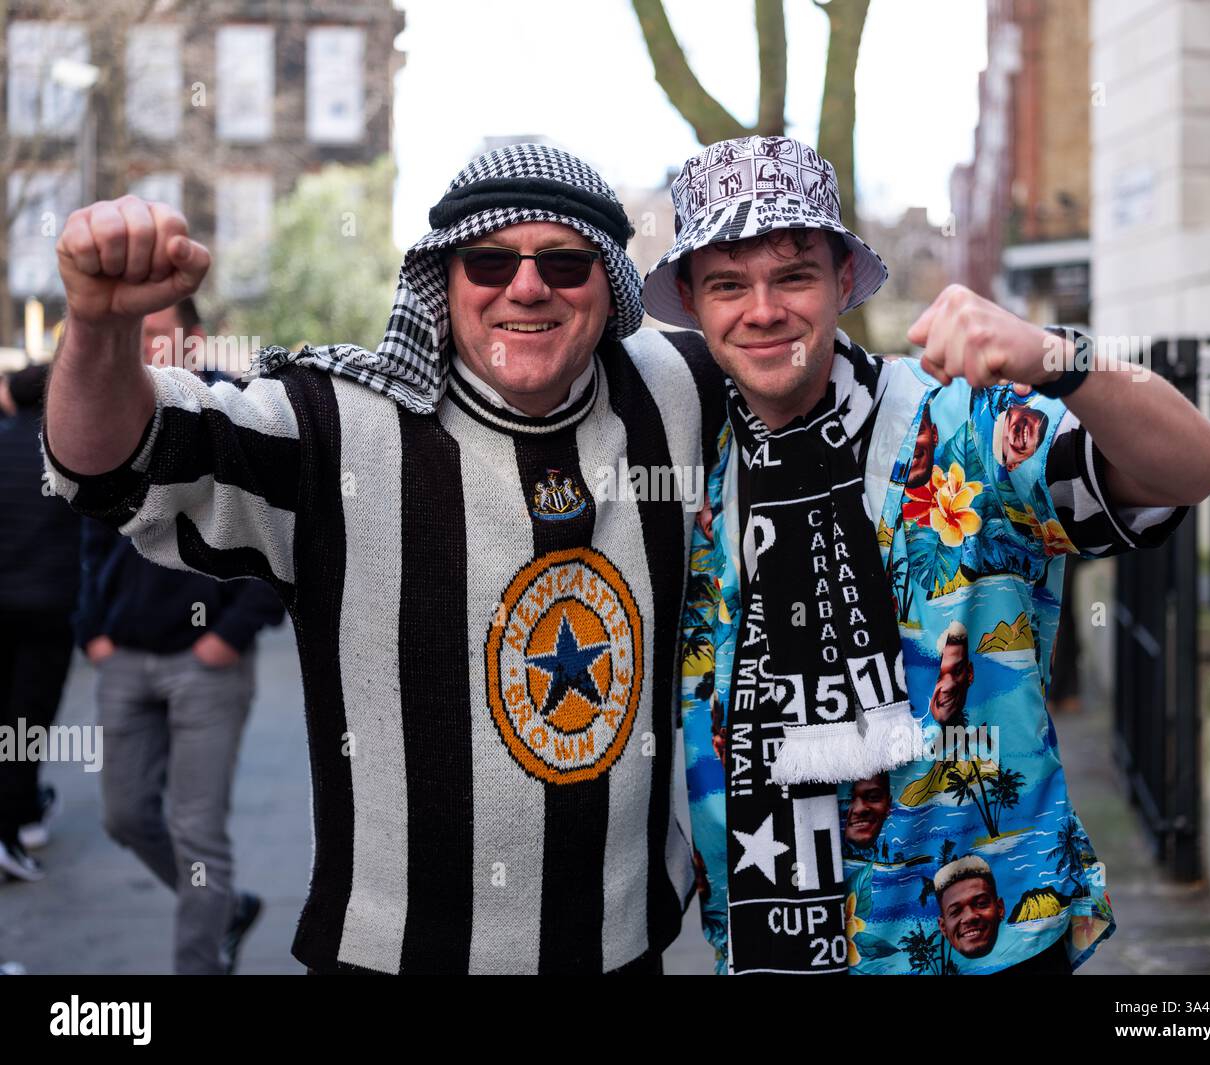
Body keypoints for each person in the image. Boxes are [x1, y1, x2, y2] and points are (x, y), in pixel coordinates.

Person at [42, 144, 724, 974]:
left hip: (623, 952)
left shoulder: (678, 389)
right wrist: (99, 330)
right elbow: (110, 465)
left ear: (610, 283)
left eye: (566, 262)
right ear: (444, 278)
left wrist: (933, 348)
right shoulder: (334, 428)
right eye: (489, 260)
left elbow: (824, 379)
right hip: (394, 961)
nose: (527, 286)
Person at [662, 135, 1210, 975]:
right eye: (726, 284)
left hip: (985, 948)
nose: (763, 309)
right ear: (692, 300)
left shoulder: (961, 426)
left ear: (844, 281)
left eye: (793, 275)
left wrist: (1058, 358)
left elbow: (1199, 466)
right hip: (762, 948)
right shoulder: (685, 467)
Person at [72, 297, 284, 974]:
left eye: (156, 335)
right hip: (123, 656)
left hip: (207, 663)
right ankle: (226, 906)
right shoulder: (108, 416)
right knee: (125, 814)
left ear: (193, 340)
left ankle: (199, 960)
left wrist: (234, 630)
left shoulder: (238, 412)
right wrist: (91, 630)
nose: (141, 348)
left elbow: (276, 528)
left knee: (198, 833)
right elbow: (84, 529)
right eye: (130, 335)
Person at [0, 364, 81, 882]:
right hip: (49, 609)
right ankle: (16, 824)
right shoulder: (69, 454)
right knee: (27, 723)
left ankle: (24, 812)